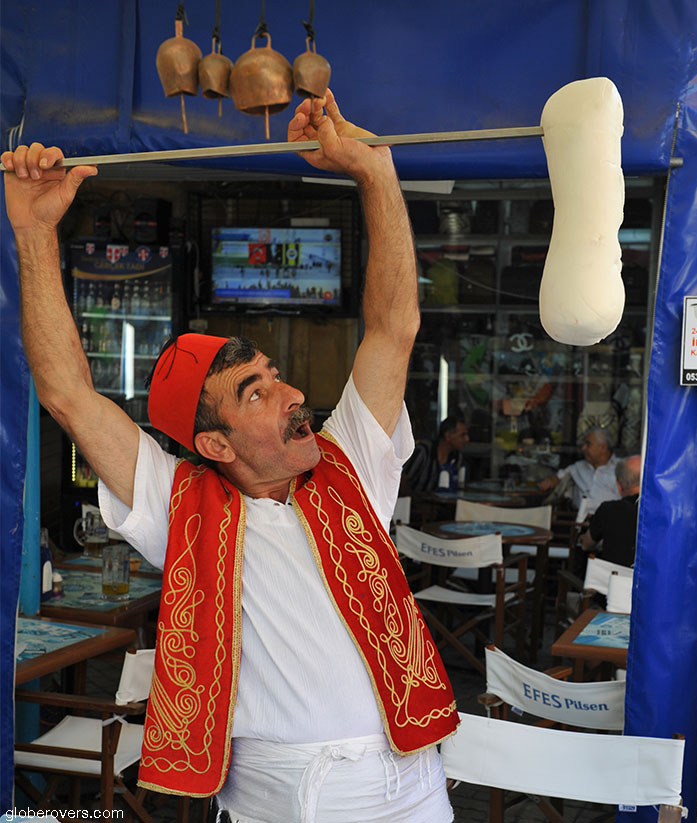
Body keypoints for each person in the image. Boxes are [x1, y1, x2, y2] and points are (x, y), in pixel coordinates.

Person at [3, 90, 458, 823]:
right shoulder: (179, 504)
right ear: (214, 444)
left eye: (277, 375)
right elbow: (69, 396)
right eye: (257, 392)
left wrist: (376, 172)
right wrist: (32, 232)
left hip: (405, 788)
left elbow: (392, 327)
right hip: (270, 800)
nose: (293, 394)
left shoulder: (352, 461)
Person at [538, 426, 620, 516]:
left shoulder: (621, 468)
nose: (583, 448)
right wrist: (550, 482)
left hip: (611, 519)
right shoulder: (578, 467)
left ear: (603, 448)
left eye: (588, 444)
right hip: (579, 520)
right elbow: (558, 477)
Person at [581, 455, 642, 567]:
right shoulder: (663, 512)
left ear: (619, 486)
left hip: (613, 576)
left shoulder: (608, 510)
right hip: (648, 577)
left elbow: (586, 545)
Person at [400, 415, 469, 494]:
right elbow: (402, 479)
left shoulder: (457, 457)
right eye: (462, 435)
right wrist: (413, 499)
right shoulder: (423, 452)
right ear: (448, 436)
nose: (467, 439)